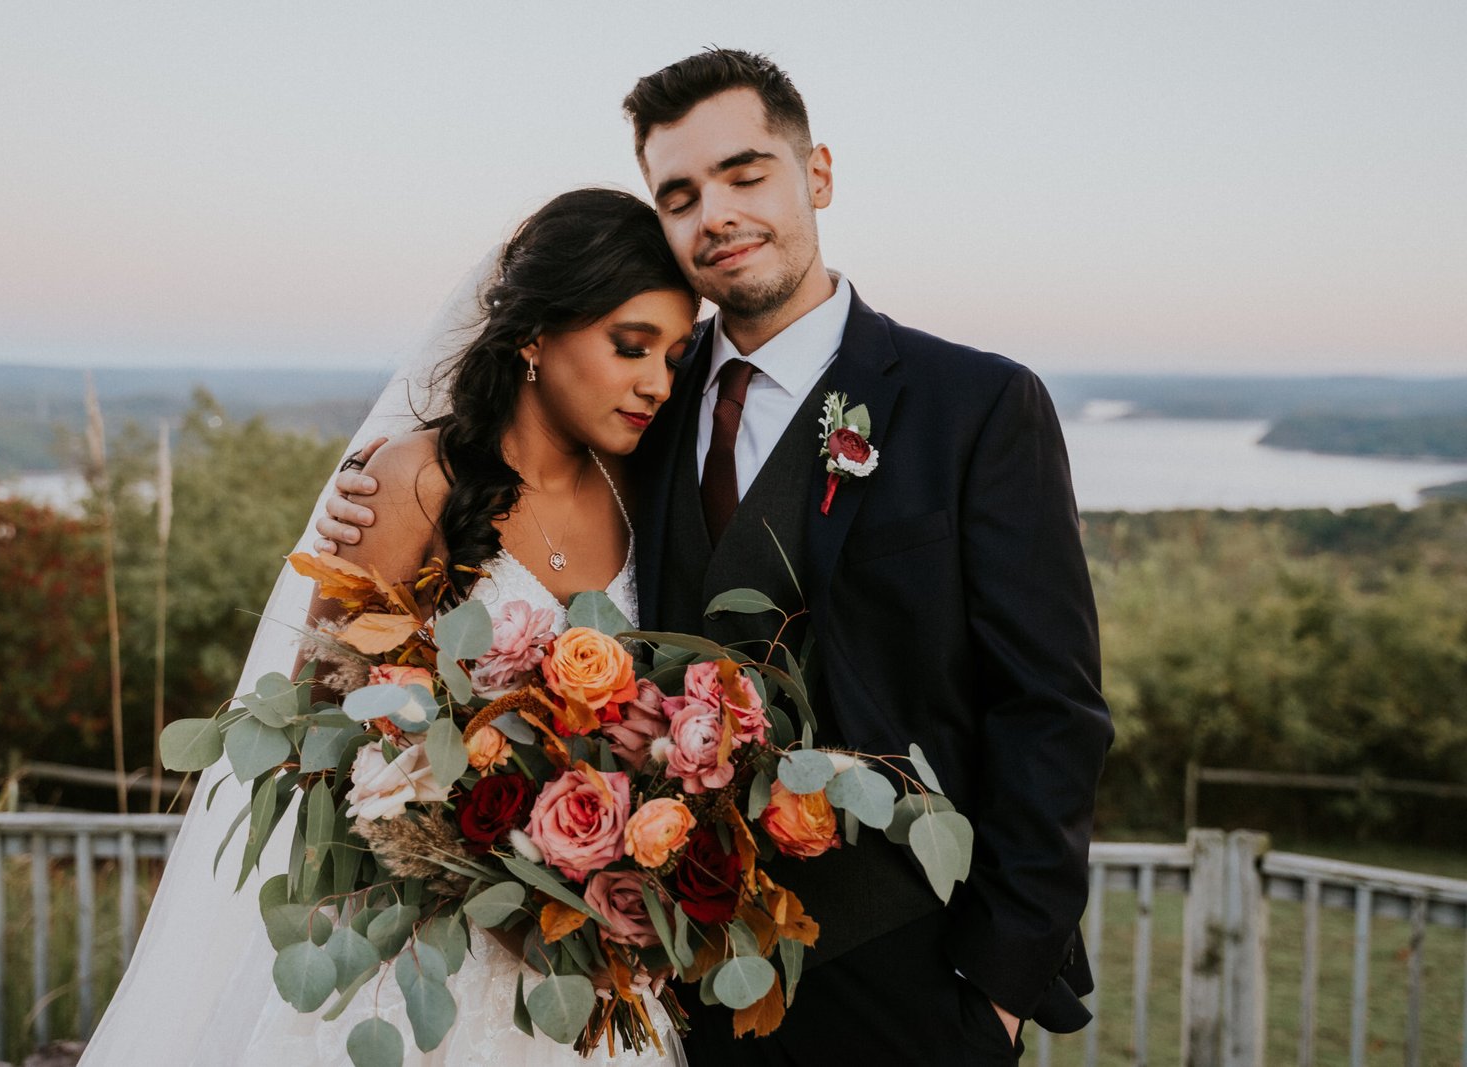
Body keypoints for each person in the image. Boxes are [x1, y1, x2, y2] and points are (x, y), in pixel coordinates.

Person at [321, 49, 1113, 1065]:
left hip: (906, 974)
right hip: (653, 969)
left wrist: (994, 993)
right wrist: (401, 480)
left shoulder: (975, 406)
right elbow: (514, 470)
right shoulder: (641, 396)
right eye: (681, 194)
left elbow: (1051, 712)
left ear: (816, 174)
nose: (716, 214)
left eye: (747, 174)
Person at [80, 187, 697, 1066]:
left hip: (592, 964)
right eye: (631, 347)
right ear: (535, 334)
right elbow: (318, 741)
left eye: (674, 356)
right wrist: (492, 881)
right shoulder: (412, 482)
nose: (657, 383)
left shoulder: (639, 491)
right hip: (422, 963)